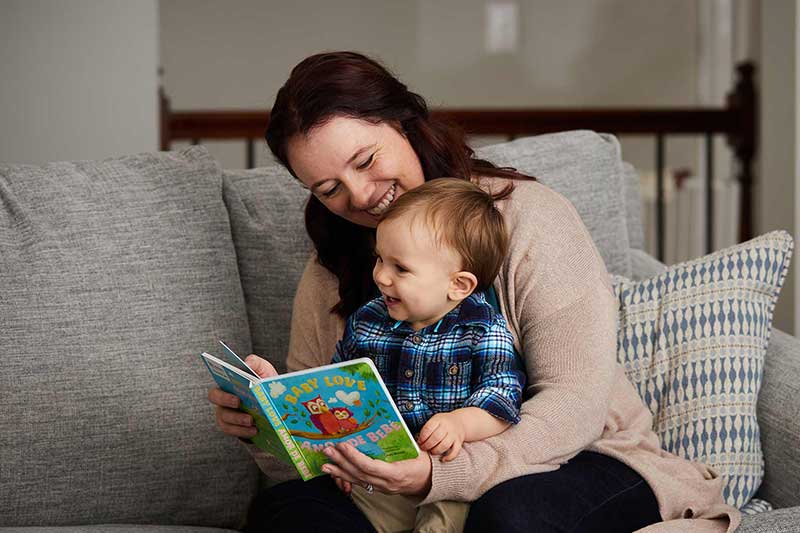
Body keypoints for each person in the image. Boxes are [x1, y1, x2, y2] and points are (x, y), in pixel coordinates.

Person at [208, 51, 740, 532]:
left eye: (366, 161)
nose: (363, 196)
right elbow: (326, 443)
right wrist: (267, 427)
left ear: (405, 122)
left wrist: (437, 476)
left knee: (510, 518)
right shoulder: (334, 269)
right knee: (287, 516)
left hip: (582, 454)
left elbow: (573, 406)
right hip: (400, 486)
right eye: (329, 189)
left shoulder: (529, 219)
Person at [329, 178, 525, 532]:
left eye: (400, 268)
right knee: (346, 512)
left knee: (446, 520)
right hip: (383, 466)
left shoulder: (482, 329)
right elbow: (341, 388)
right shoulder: (368, 321)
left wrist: (460, 423)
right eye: (379, 260)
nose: (381, 277)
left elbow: (503, 401)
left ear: (458, 285)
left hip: (449, 475)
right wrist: (346, 453)